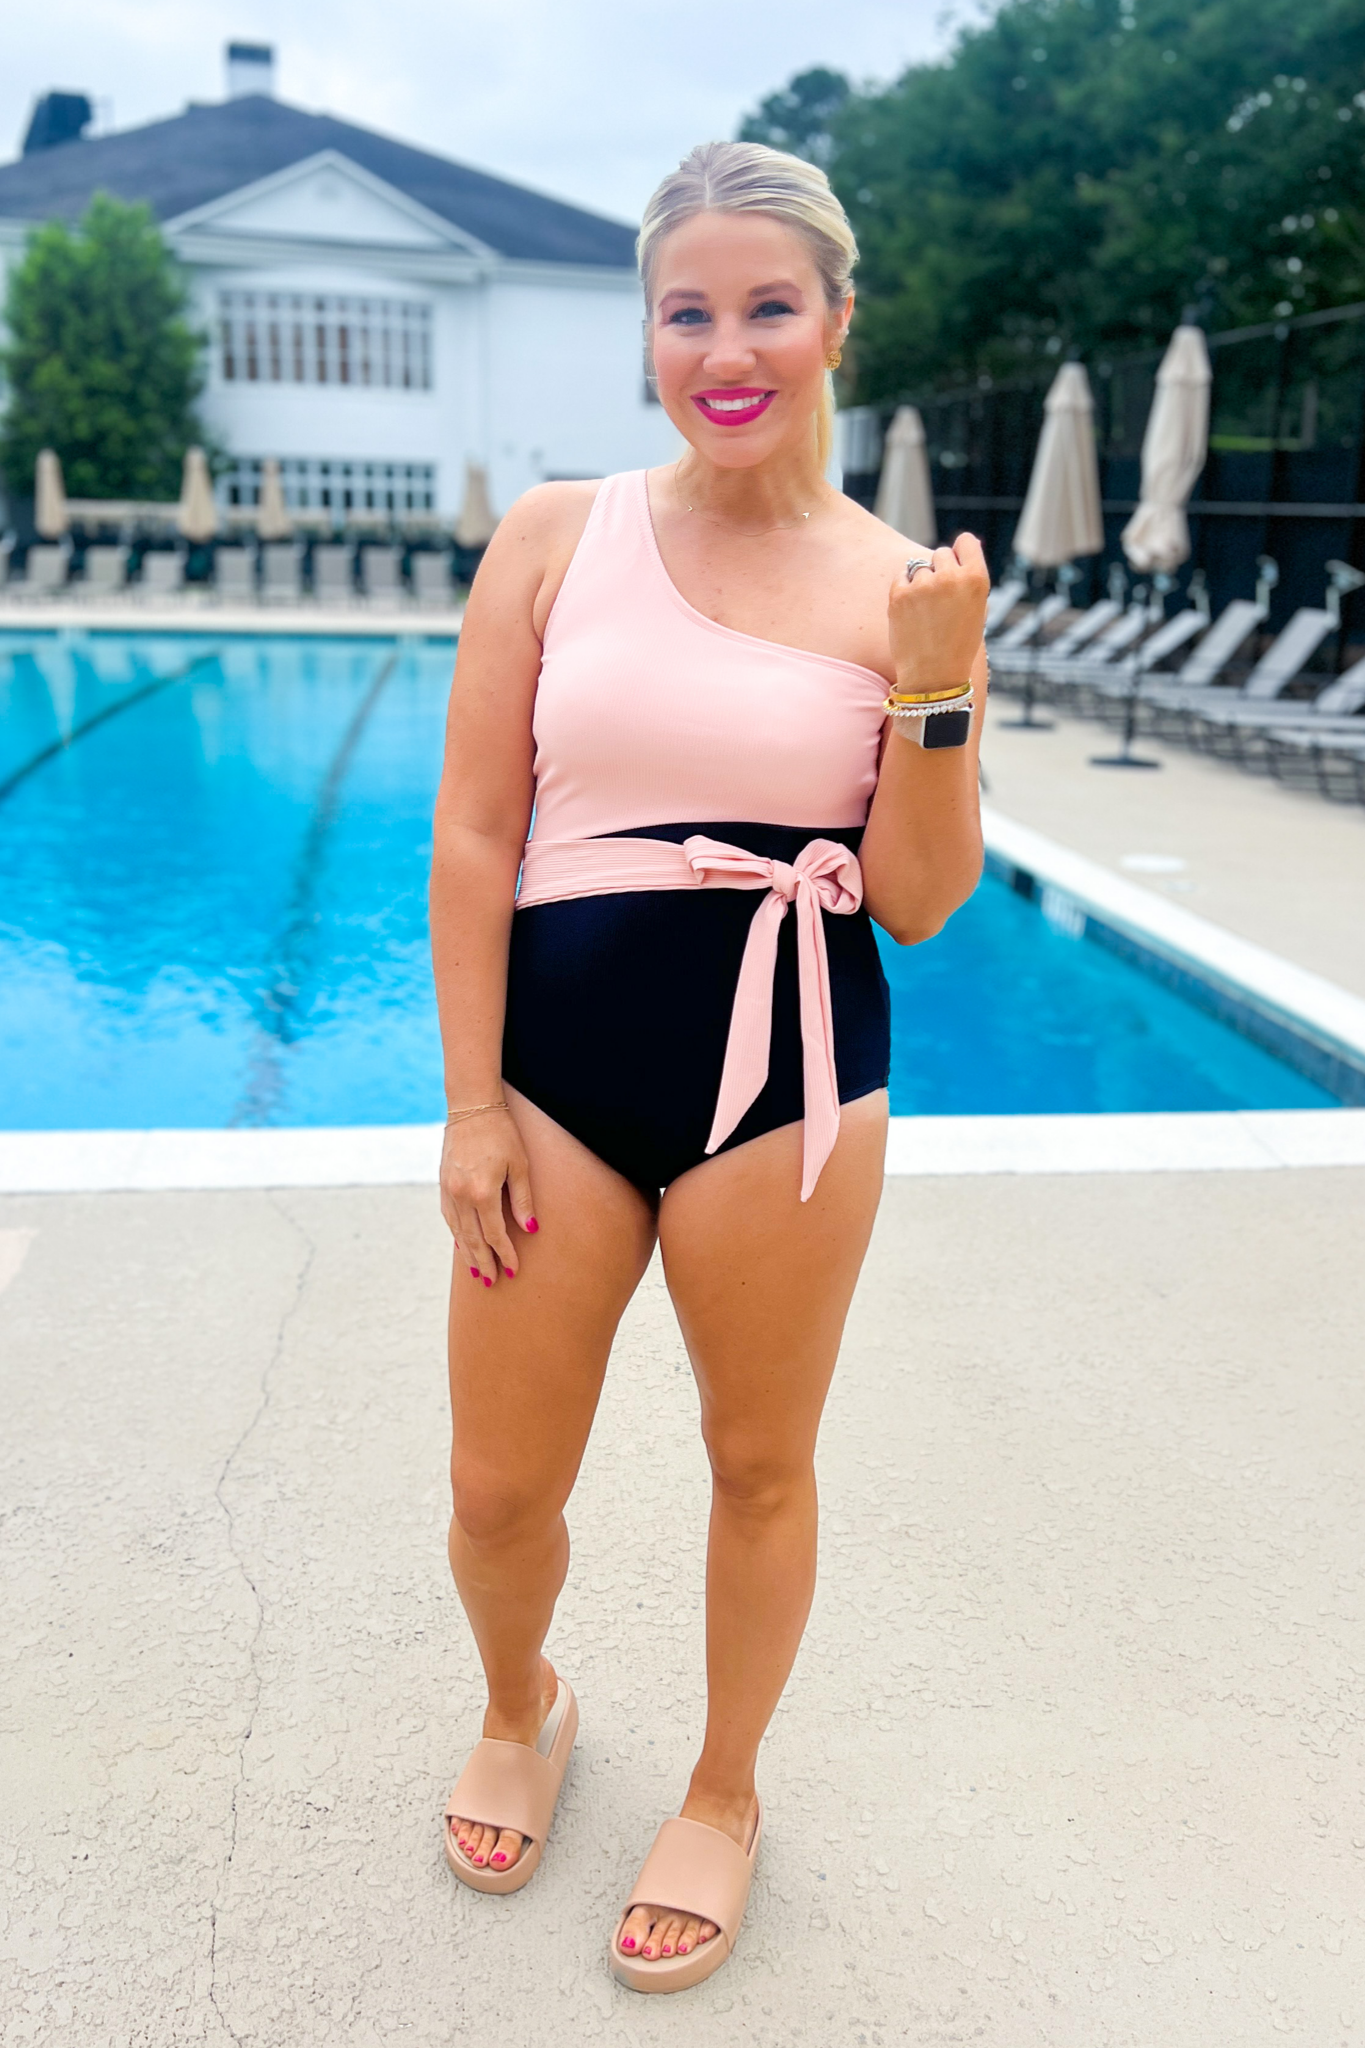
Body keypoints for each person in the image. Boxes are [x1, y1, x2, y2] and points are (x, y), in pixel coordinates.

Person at [428, 138, 989, 1992]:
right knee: (499, 1490)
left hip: (793, 1085)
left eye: (768, 308)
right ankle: (523, 1699)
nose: (726, 350)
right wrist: (471, 1103)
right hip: (557, 1082)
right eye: (689, 312)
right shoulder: (553, 537)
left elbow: (919, 901)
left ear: (837, 321)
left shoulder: (907, 588)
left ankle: (726, 1791)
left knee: (759, 1461)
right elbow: (475, 832)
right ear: (648, 333)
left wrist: (939, 684)